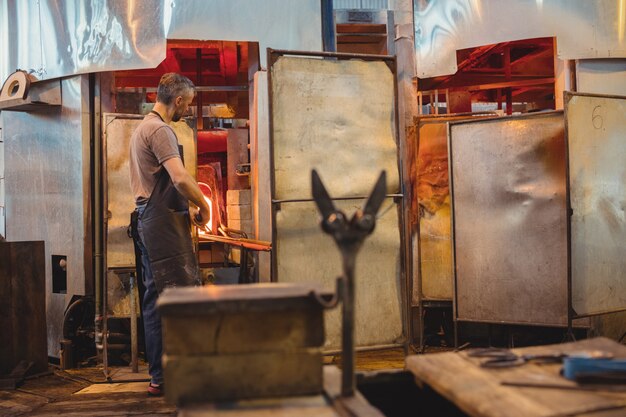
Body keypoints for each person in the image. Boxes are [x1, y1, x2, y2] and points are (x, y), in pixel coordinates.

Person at [129, 73, 210, 396]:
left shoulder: (143, 127)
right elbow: (178, 178)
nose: (187, 111)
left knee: (156, 300)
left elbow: (154, 184)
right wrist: (203, 205)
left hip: (150, 218)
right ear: (177, 101)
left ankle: (159, 377)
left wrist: (183, 211)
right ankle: (183, 374)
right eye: (187, 104)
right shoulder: (160, 129)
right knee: (180, 297)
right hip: (159, 224)